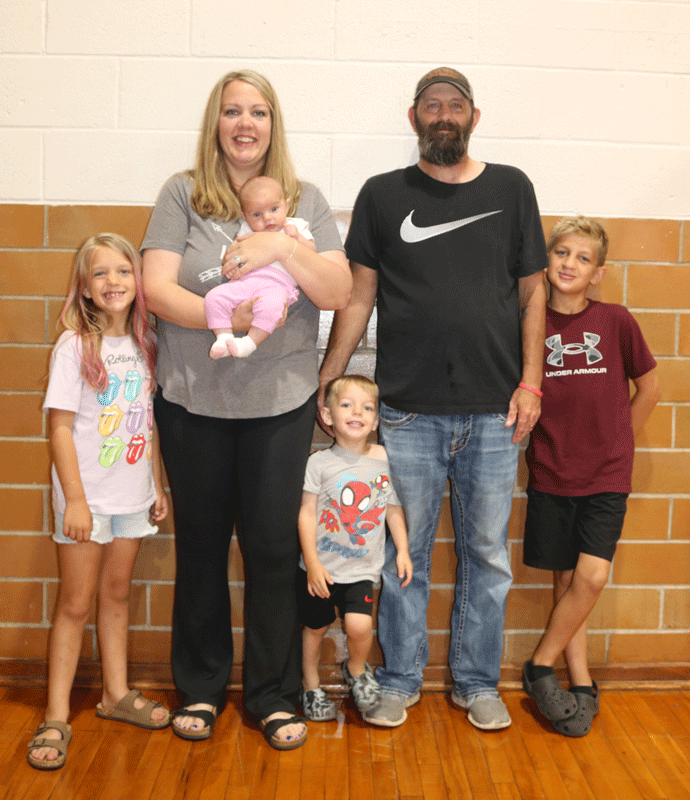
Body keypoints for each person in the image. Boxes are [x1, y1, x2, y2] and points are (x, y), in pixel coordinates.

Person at [320, 67, 548, 730]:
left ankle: (477, 682)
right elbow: (360, 295)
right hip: (408, 410)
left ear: (473, 117)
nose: (443, 114)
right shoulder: (383, 195)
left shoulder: (512, 188)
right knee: (402, 552)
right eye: (431, 106)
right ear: (413, 117)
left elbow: (533, 294)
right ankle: (397, 678)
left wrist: (532, 382)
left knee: (486, 556)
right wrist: (332, 378)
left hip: (494, 409)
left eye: (455, 105)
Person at [141, 70, 351, 750]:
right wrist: (231, 313)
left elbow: (338, 289)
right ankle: (200, 689)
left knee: (268, 550)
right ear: (217, 122)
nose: (245, 122)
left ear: (272, 124)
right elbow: (154, 289)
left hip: (280, 406)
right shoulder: (182, 193)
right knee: (200, 549)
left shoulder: (305, 201)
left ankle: (272, 695)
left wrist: (284, 246)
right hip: (193, 402)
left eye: (258, 111)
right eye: (232, 110)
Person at [28, 234, 169, 770]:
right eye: (100, 274)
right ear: (84, 289)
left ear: (138, 282)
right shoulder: (75, 347)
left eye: (123, 271)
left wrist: (156, 485)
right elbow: (60, 429)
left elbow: (148, 425)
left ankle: (115, 694)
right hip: (85, 499)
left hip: (132, 497)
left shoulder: (145, 345)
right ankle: (56, 714)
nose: (113, 282)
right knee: (74, 603)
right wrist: (76, 502)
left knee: (116, 595)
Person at [522, 217, 660, 737]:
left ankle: (539, 664)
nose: (569, 264)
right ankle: (579, 681)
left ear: (598, 273)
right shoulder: (531, 324)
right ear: (547, 258)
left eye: (582, 258)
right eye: (561, 252)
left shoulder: (615, 320)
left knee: (593, 576)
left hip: (606, 475)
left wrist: (621, 443)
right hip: (552, 471)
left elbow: (650, 388)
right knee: (566, 580)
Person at [298, 375, 412, 722]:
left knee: (360, 627)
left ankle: (358, 669)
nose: (357, 412)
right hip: (322, 571)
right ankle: (310, 686)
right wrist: (313, 563)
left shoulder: (382, 460)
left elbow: (392, 508)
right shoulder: (318, 463)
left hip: (362, 569)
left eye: (366, 407)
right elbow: (306, 514)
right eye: (346, 404)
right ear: (328, 416)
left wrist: (403, 550)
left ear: (375, 421)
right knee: (315, 629)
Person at [204, 176, 316, 359]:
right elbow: (235, 255)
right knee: (213, 298)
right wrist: (231, 267)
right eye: (257, 214)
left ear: (286, 206)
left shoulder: (296, 226)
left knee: (271, 307)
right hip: (246, 281)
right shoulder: (246, 231)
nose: (267, 217)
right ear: (245, 216)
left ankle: (249, 343)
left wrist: (297, 239)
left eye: (274, 209)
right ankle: (223, 338)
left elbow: (312, 253)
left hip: (278, 285)